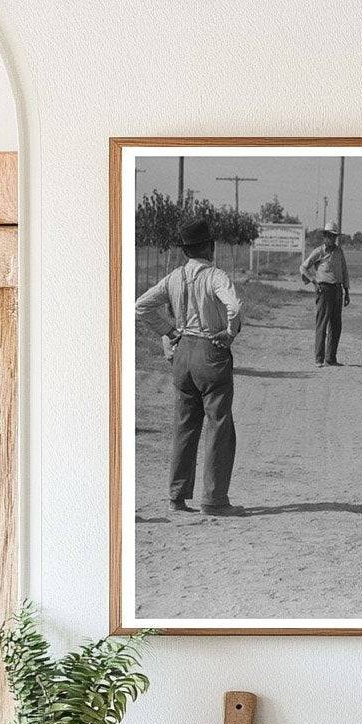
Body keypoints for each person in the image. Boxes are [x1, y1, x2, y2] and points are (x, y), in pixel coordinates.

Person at [135, 218, 244, 517]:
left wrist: (170, 331)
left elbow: (141, 306)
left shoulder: (173, 277)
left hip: (182, 353)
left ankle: (177, 496)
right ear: (209, 247)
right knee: (219, 426)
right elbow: (234, 307)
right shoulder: (216, 276)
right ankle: (215, 499)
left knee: (184, 426)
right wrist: (230, 331)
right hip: (211, 351)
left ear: (186, 250)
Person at [300, 220, 350, 366]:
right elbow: (303, 268)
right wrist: (313, 281)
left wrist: (346, 291)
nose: (332, 239)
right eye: (329, 235)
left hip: (337, 290)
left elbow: (344, 271)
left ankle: (331, 358)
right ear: (325, 236)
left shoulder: (339, 252)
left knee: (336, 325)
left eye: (334, 236)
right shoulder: (318, 252)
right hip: (324, 289)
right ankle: (319, 358)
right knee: (322, 324)